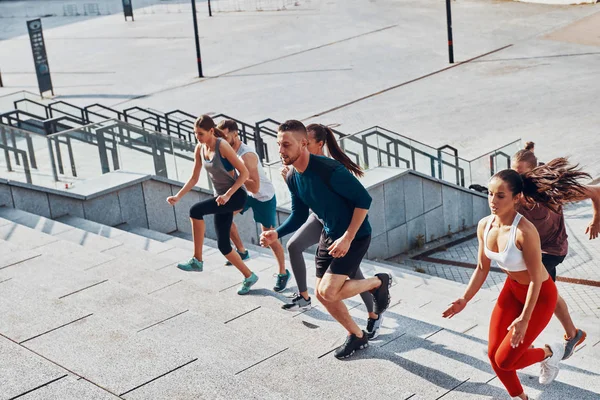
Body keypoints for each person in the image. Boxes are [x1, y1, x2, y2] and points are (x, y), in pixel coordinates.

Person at [443, 160, 592, 400]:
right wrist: (464, 299)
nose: (493, 201)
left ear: (516, 198)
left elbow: (536, 279)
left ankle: (550, 352)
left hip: (540, 295)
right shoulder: (485, 225)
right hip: (512, 290)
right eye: (490, 194)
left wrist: (524, 319)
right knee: (494, 356)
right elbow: (482, 267)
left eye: (500, 196)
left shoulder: (524, 231)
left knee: (505, 360)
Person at [260, 120, 392, 359]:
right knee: (322, 295)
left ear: (303, 143)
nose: (280, 151)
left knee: (329, 293)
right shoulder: (292, 176)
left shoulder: (329, 169)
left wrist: (347, 237)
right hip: (329, 234)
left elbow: (364, 200)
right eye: (278, 145)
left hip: (355, 235)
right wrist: (276, 233)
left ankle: (378, 283)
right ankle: (357, 336)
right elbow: (299, 214)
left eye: (286, 145)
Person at [512, 149, 600, 359]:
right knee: (547, 292)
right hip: (531, 250)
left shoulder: (554, 192)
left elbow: (596, 192)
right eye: (515, 174)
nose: (517, 180)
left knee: (533, 289)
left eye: (522, 175)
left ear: (534, 173)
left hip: (551, 250)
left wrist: (596, 221)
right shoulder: (514, 193)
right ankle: (573, 334)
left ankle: (524, 341)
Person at [167, 115, 259, 295]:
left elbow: (244, 173)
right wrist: (177, 196)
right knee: (224, 246)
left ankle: (197, 260)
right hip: (221, 198)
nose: (197, 137)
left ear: (210, 131)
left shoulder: (222, 146)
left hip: (235, 195)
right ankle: (249, 276)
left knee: (196, 211)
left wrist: (227, 194)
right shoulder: (200, 148)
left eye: (200, 134)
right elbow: (194, 178)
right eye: (195, 134)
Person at [217, 119, 290, 292]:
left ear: (236, 134)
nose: (222, 140)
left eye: (225, 136)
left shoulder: (246, 155)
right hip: (245, 195)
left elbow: (255, 186)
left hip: (263, 197)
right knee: (222, 217)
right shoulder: (225, 150)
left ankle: (283, 272)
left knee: (269, 237)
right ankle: (241, 251)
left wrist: (235, 175)